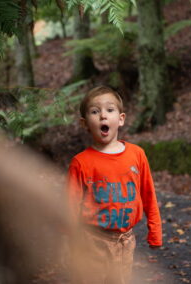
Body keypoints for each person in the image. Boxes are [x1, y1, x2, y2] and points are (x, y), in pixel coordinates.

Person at [66, 86, 162, 284]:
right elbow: (70, 206)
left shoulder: (137, 155)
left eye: (110, 110)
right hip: (92, 240)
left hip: (125, 241)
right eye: (95, 111)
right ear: (84, 123)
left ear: (121, 119)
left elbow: (148, 195)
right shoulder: (81, 162)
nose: (103, 116)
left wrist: (155, 232)